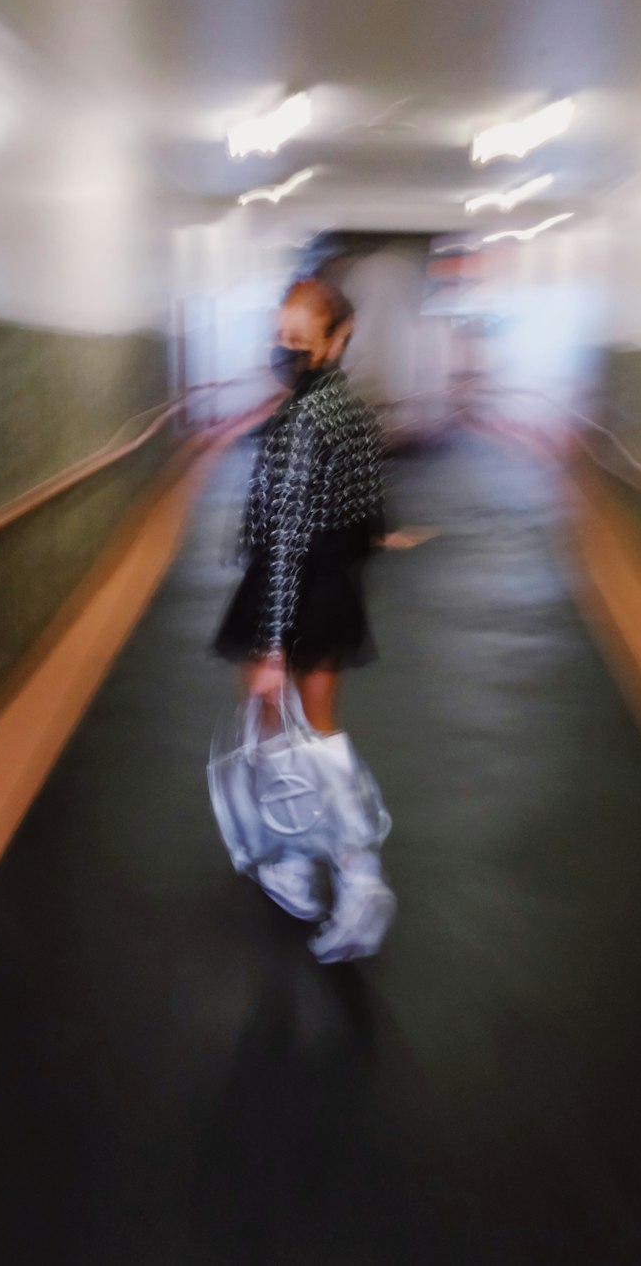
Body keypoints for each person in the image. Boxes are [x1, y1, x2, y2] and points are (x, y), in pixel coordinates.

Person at [213, 276, 419, 962]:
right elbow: (369, 522)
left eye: (299, 340)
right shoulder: (353, 411)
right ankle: (341, 871)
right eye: (280, 338)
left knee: (277, 737)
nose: (285, 350)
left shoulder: (301, 418)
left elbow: (288, 536)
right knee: (321, 737)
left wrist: (273, 646)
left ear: (336, 339)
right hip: (334, 590)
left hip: (286, 589)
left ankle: (319, 871)